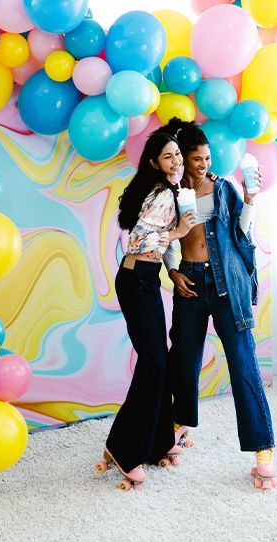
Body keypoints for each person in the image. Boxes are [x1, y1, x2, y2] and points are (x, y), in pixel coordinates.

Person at [163, 118, 277, 490]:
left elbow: (243, 232)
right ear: (182, 160)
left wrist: (250, 200)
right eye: (197, 159)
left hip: (228, 282)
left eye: (208, 158)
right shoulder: (170, 193)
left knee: (243, 362)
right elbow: (163, 238)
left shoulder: (224, 188)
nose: (204, 165)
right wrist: (174, 272)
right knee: (184, 357)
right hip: (191, 280)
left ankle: (263, 448)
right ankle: (179, 425)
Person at [96, 130, 196, 489]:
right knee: (155, 361)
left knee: (158, 360)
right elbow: (139, 238)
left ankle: (155, 444)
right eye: (169, 156)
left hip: (144, 278)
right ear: (154, 162)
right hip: (137, 279)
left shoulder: (169, 192)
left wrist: (172, 268)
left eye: (178, 156)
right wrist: (180, 231)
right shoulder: (163, 194)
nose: (177, 162)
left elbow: (157, 242)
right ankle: (125, 448)